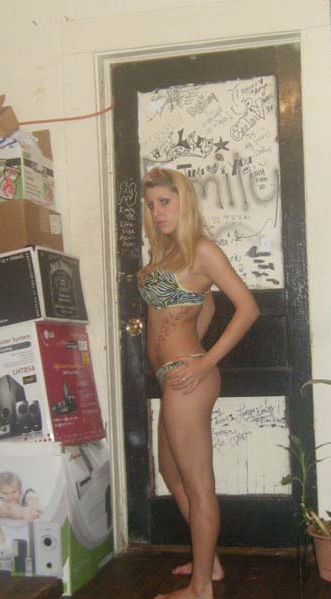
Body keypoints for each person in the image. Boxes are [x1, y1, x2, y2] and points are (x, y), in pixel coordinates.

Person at [137, 167, 259, 599]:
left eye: (164, 202)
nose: (157, 211)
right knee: (170, 471)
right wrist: (190, 349)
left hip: (188, 379)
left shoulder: (203, 250)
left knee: (198, 485)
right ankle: (211, 562)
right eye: (151, 205)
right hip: (173, 377)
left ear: (183, 201)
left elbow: (247, 308)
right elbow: (206, 304)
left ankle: (201, 587)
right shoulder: (170, 252)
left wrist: (203, 361)